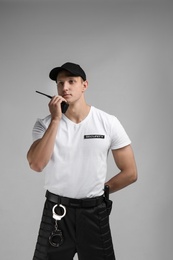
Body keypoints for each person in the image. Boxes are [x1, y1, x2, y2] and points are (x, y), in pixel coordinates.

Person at [27, 62, 137, 260]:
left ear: (84, 85)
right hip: (56, 213)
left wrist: (102, 191)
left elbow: (130, 173)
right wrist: (55, 120)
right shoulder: (44, 124)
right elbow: (36, 164)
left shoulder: (108, 122)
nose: (65, 87)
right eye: (60, 83)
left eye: (71, 81)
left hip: (94, 213)